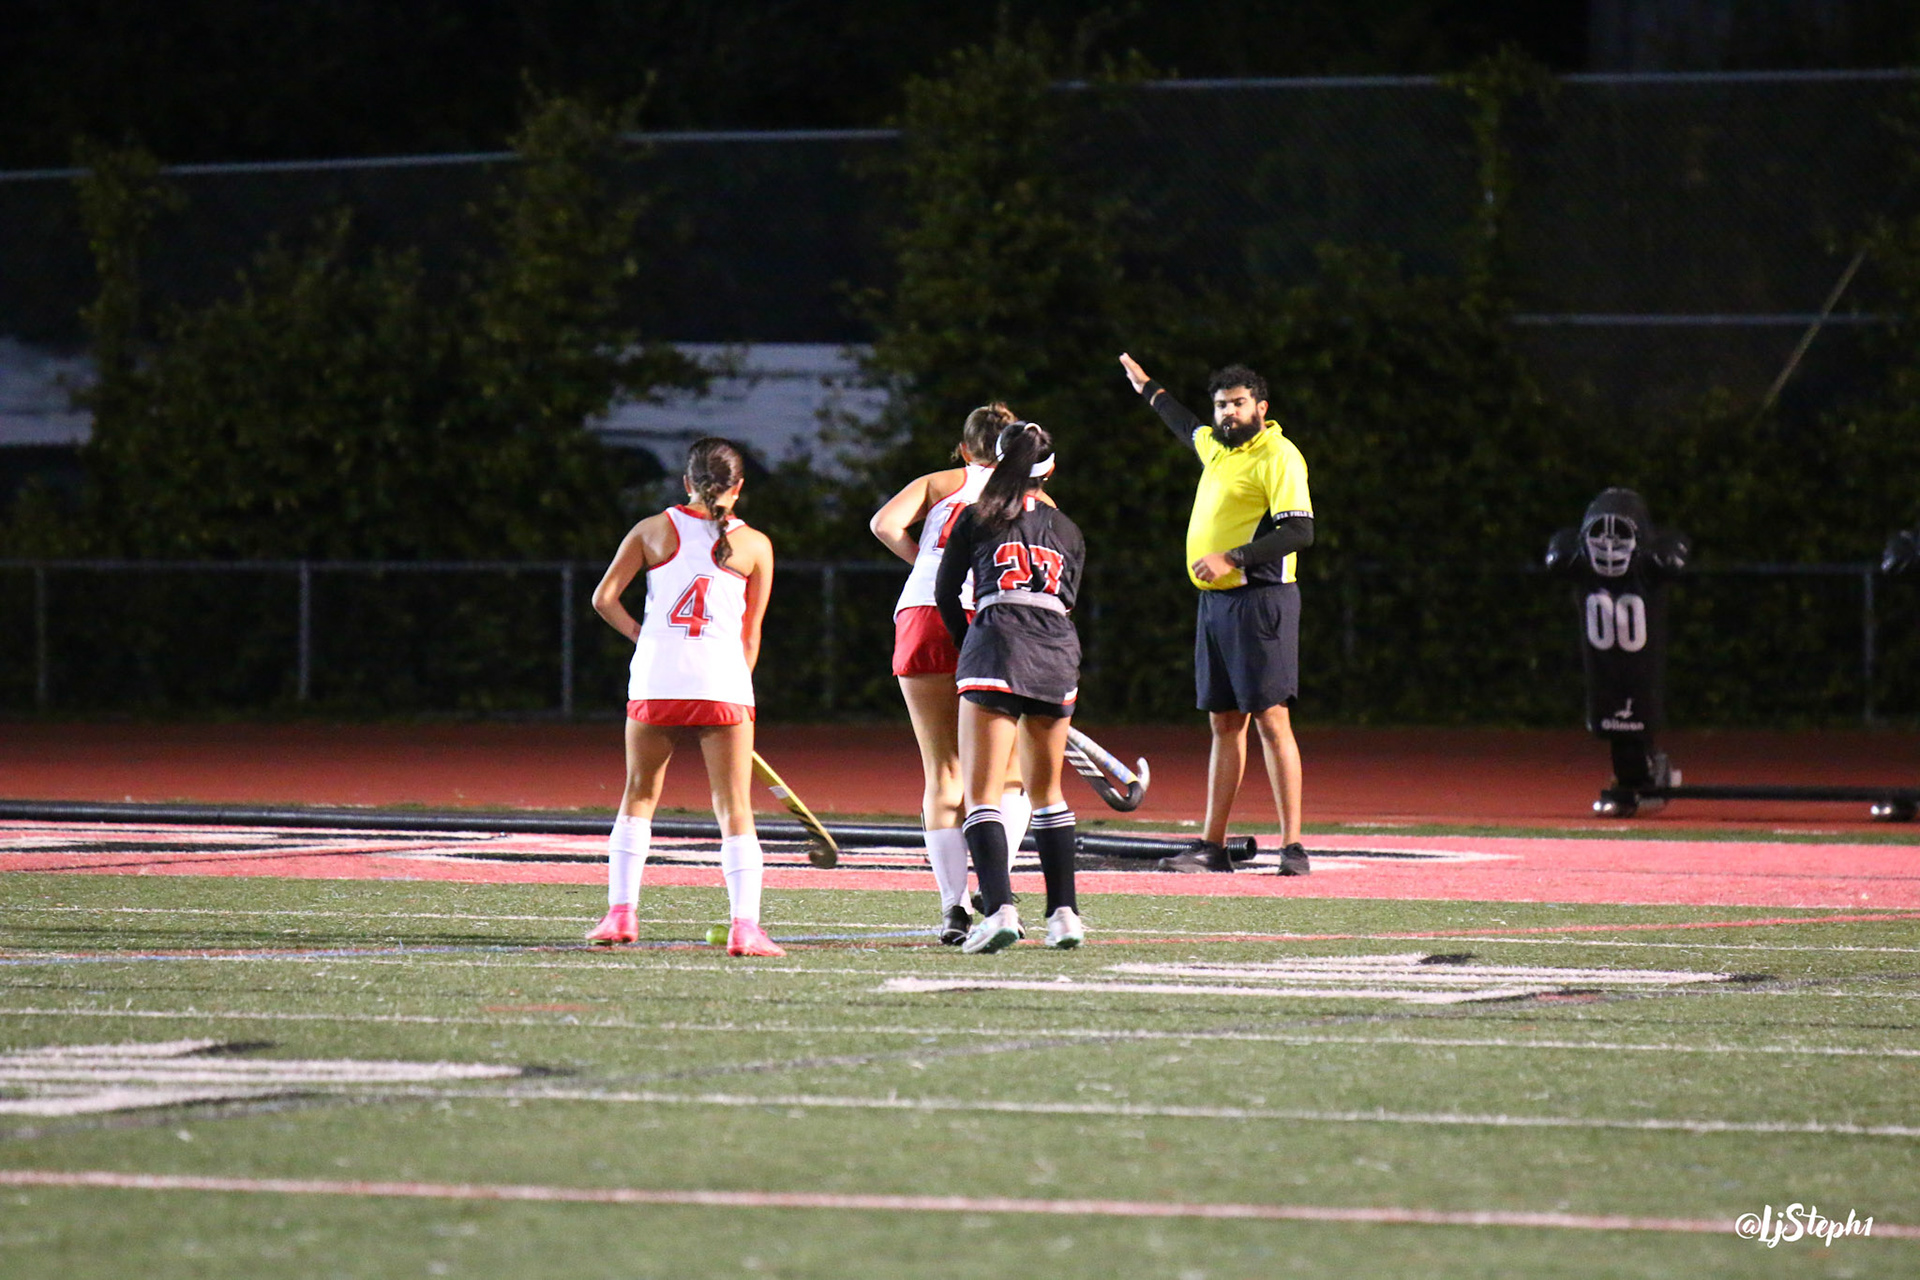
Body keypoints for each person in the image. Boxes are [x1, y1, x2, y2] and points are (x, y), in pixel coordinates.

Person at [583, 437, 784, 957]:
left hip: (658, 677)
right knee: (734, 806)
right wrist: (736, 693)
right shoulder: (757, 545)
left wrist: (642, 635)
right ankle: (745, 927)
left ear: (687, 481)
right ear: (738, 487)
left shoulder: (651, 529)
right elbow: (751, 636)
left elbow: (603, 599)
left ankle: (621, 914)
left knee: (638, 795)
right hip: (723, 682)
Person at [1118, 353, 1312, 876]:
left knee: (1272, 719)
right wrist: (1147, 386)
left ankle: (1293, 847)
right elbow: (1182, 423)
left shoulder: (1278, 455)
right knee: (1224, 722)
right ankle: (1213, 845)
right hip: (1217, 603)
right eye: (1221, 405)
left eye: (1238, 403)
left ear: (1261, 407)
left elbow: (1300, 531)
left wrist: (1234, 557)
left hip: (1261, 600)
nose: (1228, 412)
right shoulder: (1218, 449)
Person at [870, 403, 1035, 945]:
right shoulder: (1033, 496)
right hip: (992, 619)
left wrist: (926, 561)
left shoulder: (941, 482)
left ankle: (953, 909)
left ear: (965, 449)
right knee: (1009, 772)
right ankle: (995, 885)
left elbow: (883, 524)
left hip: (922, 611)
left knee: (943, 772)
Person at [934, 421, 1088, 952]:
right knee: (1047, 794)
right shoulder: (1068, 528)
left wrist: (969, 644)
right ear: (1050, 469)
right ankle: (1065, 916)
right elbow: (1067, 601)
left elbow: (946, 592)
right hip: (1056, 650)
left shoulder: (977, 515)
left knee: (982, 794)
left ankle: (999, 910)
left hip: (995, 642)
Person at [1544, 487, 1689, 814]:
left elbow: (1672, 554)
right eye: (1600, 536)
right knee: (1609, 712)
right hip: (1604, 661)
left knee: (1639, 708)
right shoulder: (1580, 561)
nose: (1609, 548)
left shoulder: (1649, 563)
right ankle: (1633, 779)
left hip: (1637, 658)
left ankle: (1643, 773)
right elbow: (1558, 554)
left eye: (1620, 537)